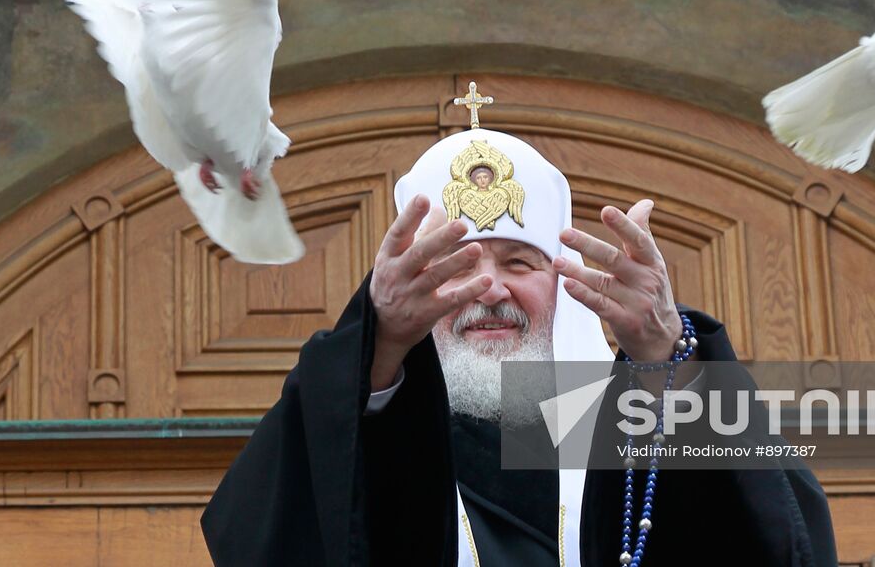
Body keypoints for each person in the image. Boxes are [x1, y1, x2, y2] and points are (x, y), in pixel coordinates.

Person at [202, 113, 838, 566]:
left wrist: (664, 349)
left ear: (559, 284)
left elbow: (777, 537)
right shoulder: (367, 426)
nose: (490, 290)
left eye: (519, 264)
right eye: (460, 265)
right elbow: (266, 534)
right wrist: (375, 342)